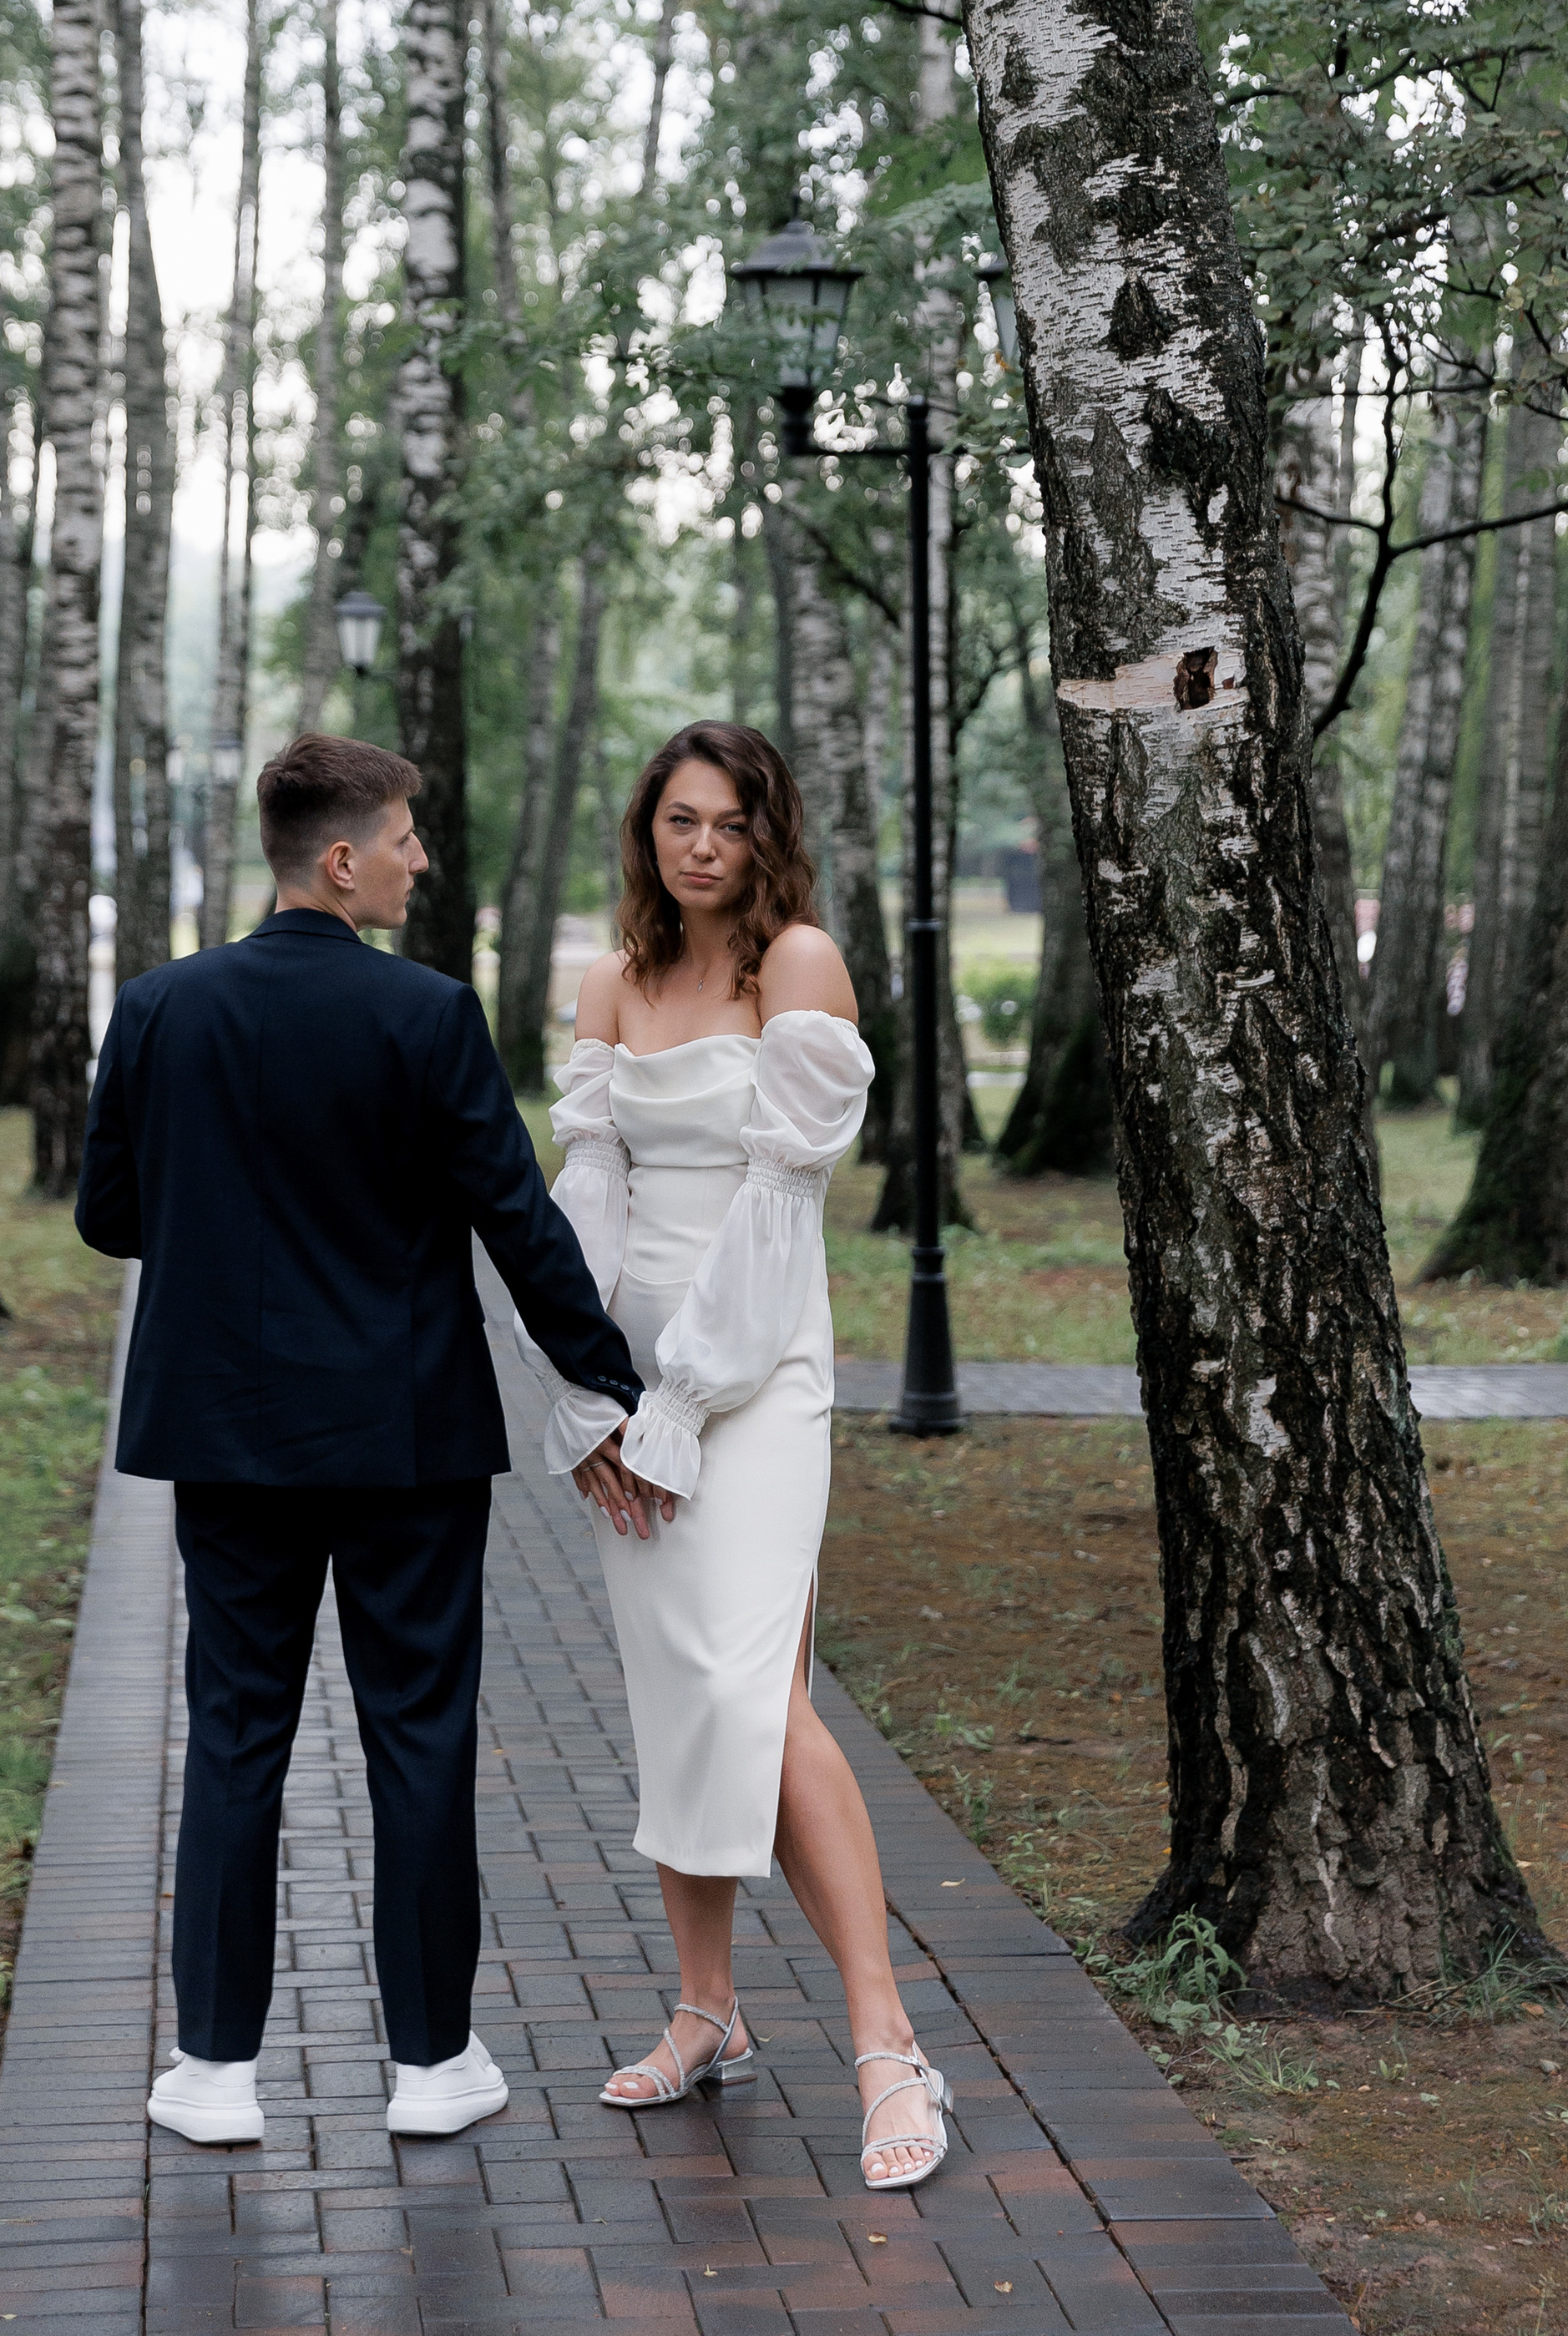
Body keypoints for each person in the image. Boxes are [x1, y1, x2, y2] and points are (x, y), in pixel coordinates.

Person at [74, 732, 645, 2148]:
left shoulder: (158, 1009)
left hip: (230, 1437)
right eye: (403, 839)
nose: (420, 859)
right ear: (341, 858)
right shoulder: (429, 1015)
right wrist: (613, 1384)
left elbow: (108, 1217)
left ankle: (212, 2071)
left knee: (237, 1739)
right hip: (405, 1440)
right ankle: (432, 2065)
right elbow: (518, 1218)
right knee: (419, 1738)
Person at [513, 721, 951, 2192]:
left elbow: (777, 1214)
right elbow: (585, 1203)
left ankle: (889, 2044)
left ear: (770, 835)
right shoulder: (609, 982)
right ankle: (708, 2009)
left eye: (729, 823)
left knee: (754, 1697)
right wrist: (590, 1401)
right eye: (677, 820)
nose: (700, 846)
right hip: (631, 1384)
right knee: (674, 1698)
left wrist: (684, 1409)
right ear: (648, 832)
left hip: (755, 1382)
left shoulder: (801, 969)